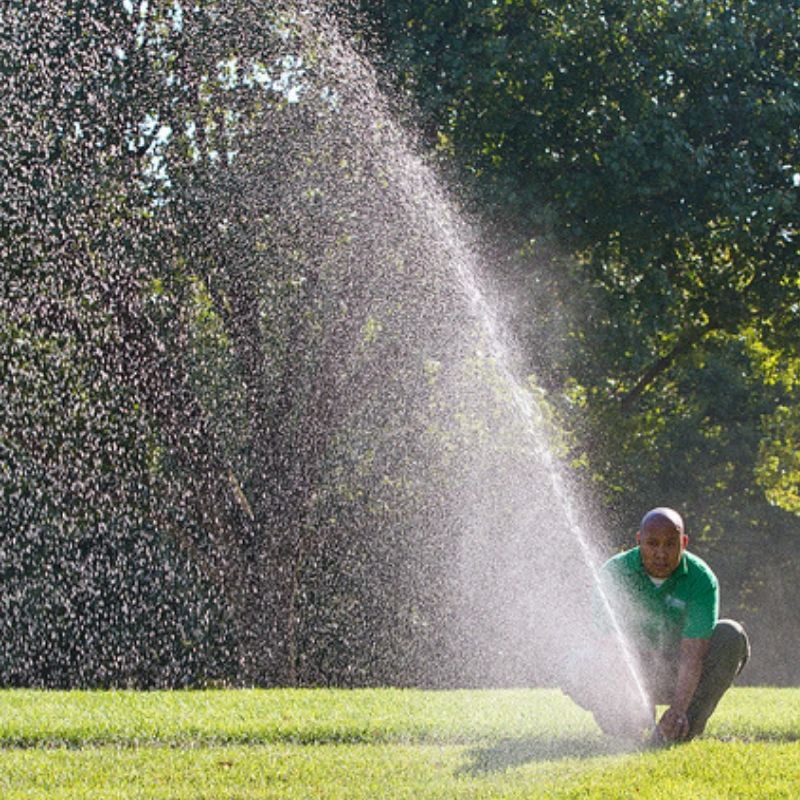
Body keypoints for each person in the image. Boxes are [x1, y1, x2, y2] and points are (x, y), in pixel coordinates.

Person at [563, 507, 750, 744]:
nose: (661, 553)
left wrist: (679, 710)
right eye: (652, 543)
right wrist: (638, 703)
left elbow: (693, 654)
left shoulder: (700, 578)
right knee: (577, 664)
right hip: (631, 672)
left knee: (731, 635)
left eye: (670, 544)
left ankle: (682, 730)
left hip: (679, 673)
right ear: (639, 540)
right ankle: (623, 728)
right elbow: (611, 648)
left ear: (683, 542)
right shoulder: (615, 572)